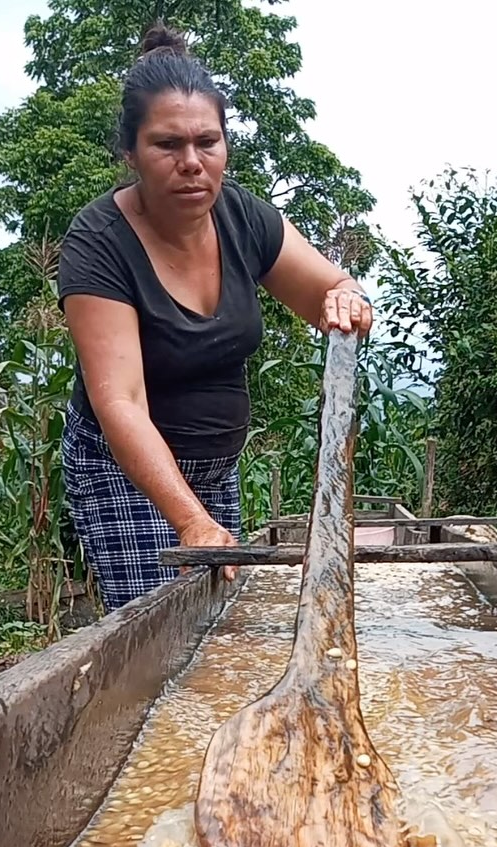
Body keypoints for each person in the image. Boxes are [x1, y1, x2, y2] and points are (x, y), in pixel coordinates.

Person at [58, 22, 374, 611]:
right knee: (161, 631)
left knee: (216, 625)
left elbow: (330, 290)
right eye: (167, 145)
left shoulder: (243, 218)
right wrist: (191, 521)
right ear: (131, 153)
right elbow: (120, 401)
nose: (191, 162)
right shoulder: (98, 242)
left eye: (207, 142)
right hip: (126, 475)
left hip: (216, 467)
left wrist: (347, 298)